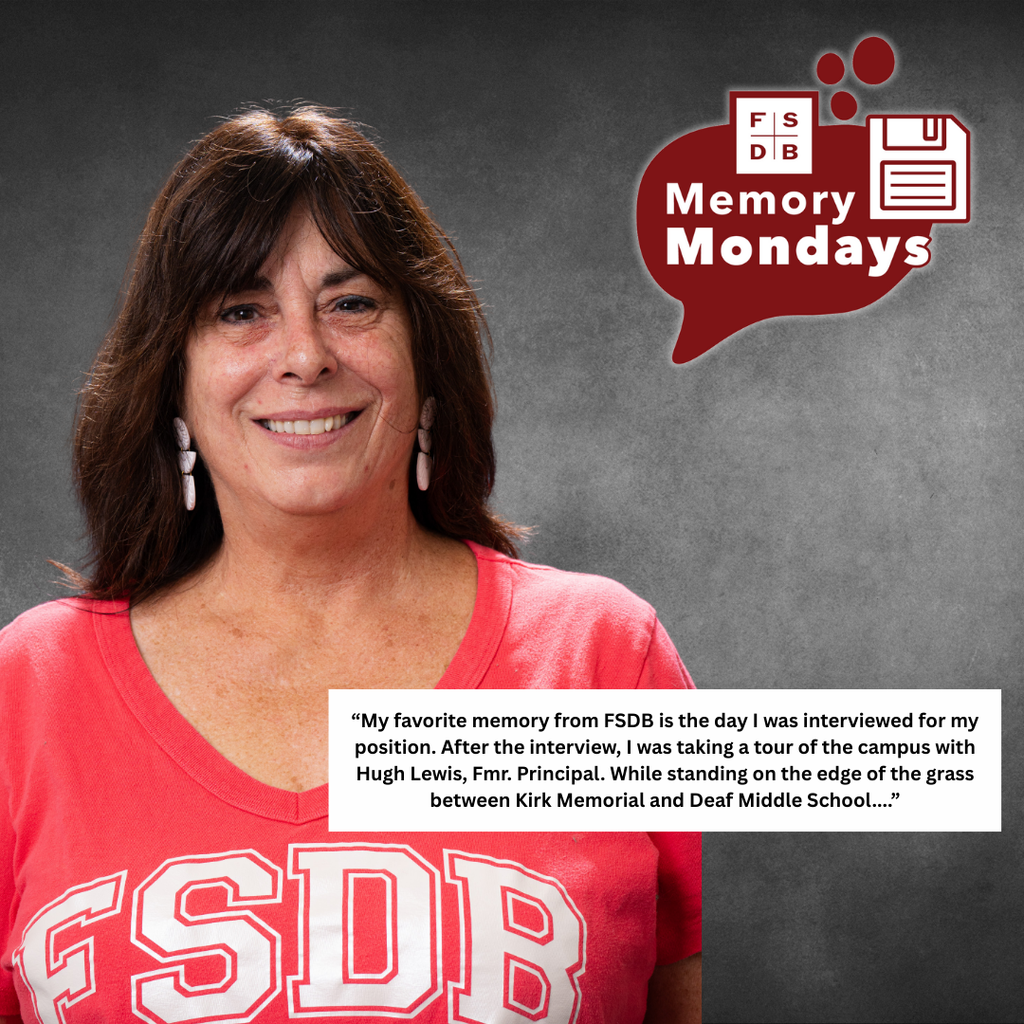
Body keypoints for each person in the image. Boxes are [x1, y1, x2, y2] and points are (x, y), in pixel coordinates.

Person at [0, 107, 700, 1023]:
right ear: (172, 378)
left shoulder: (604, 660)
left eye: (352, 302)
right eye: (241, 310)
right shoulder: (29, 693)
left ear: (424, 354)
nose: (304, 356)